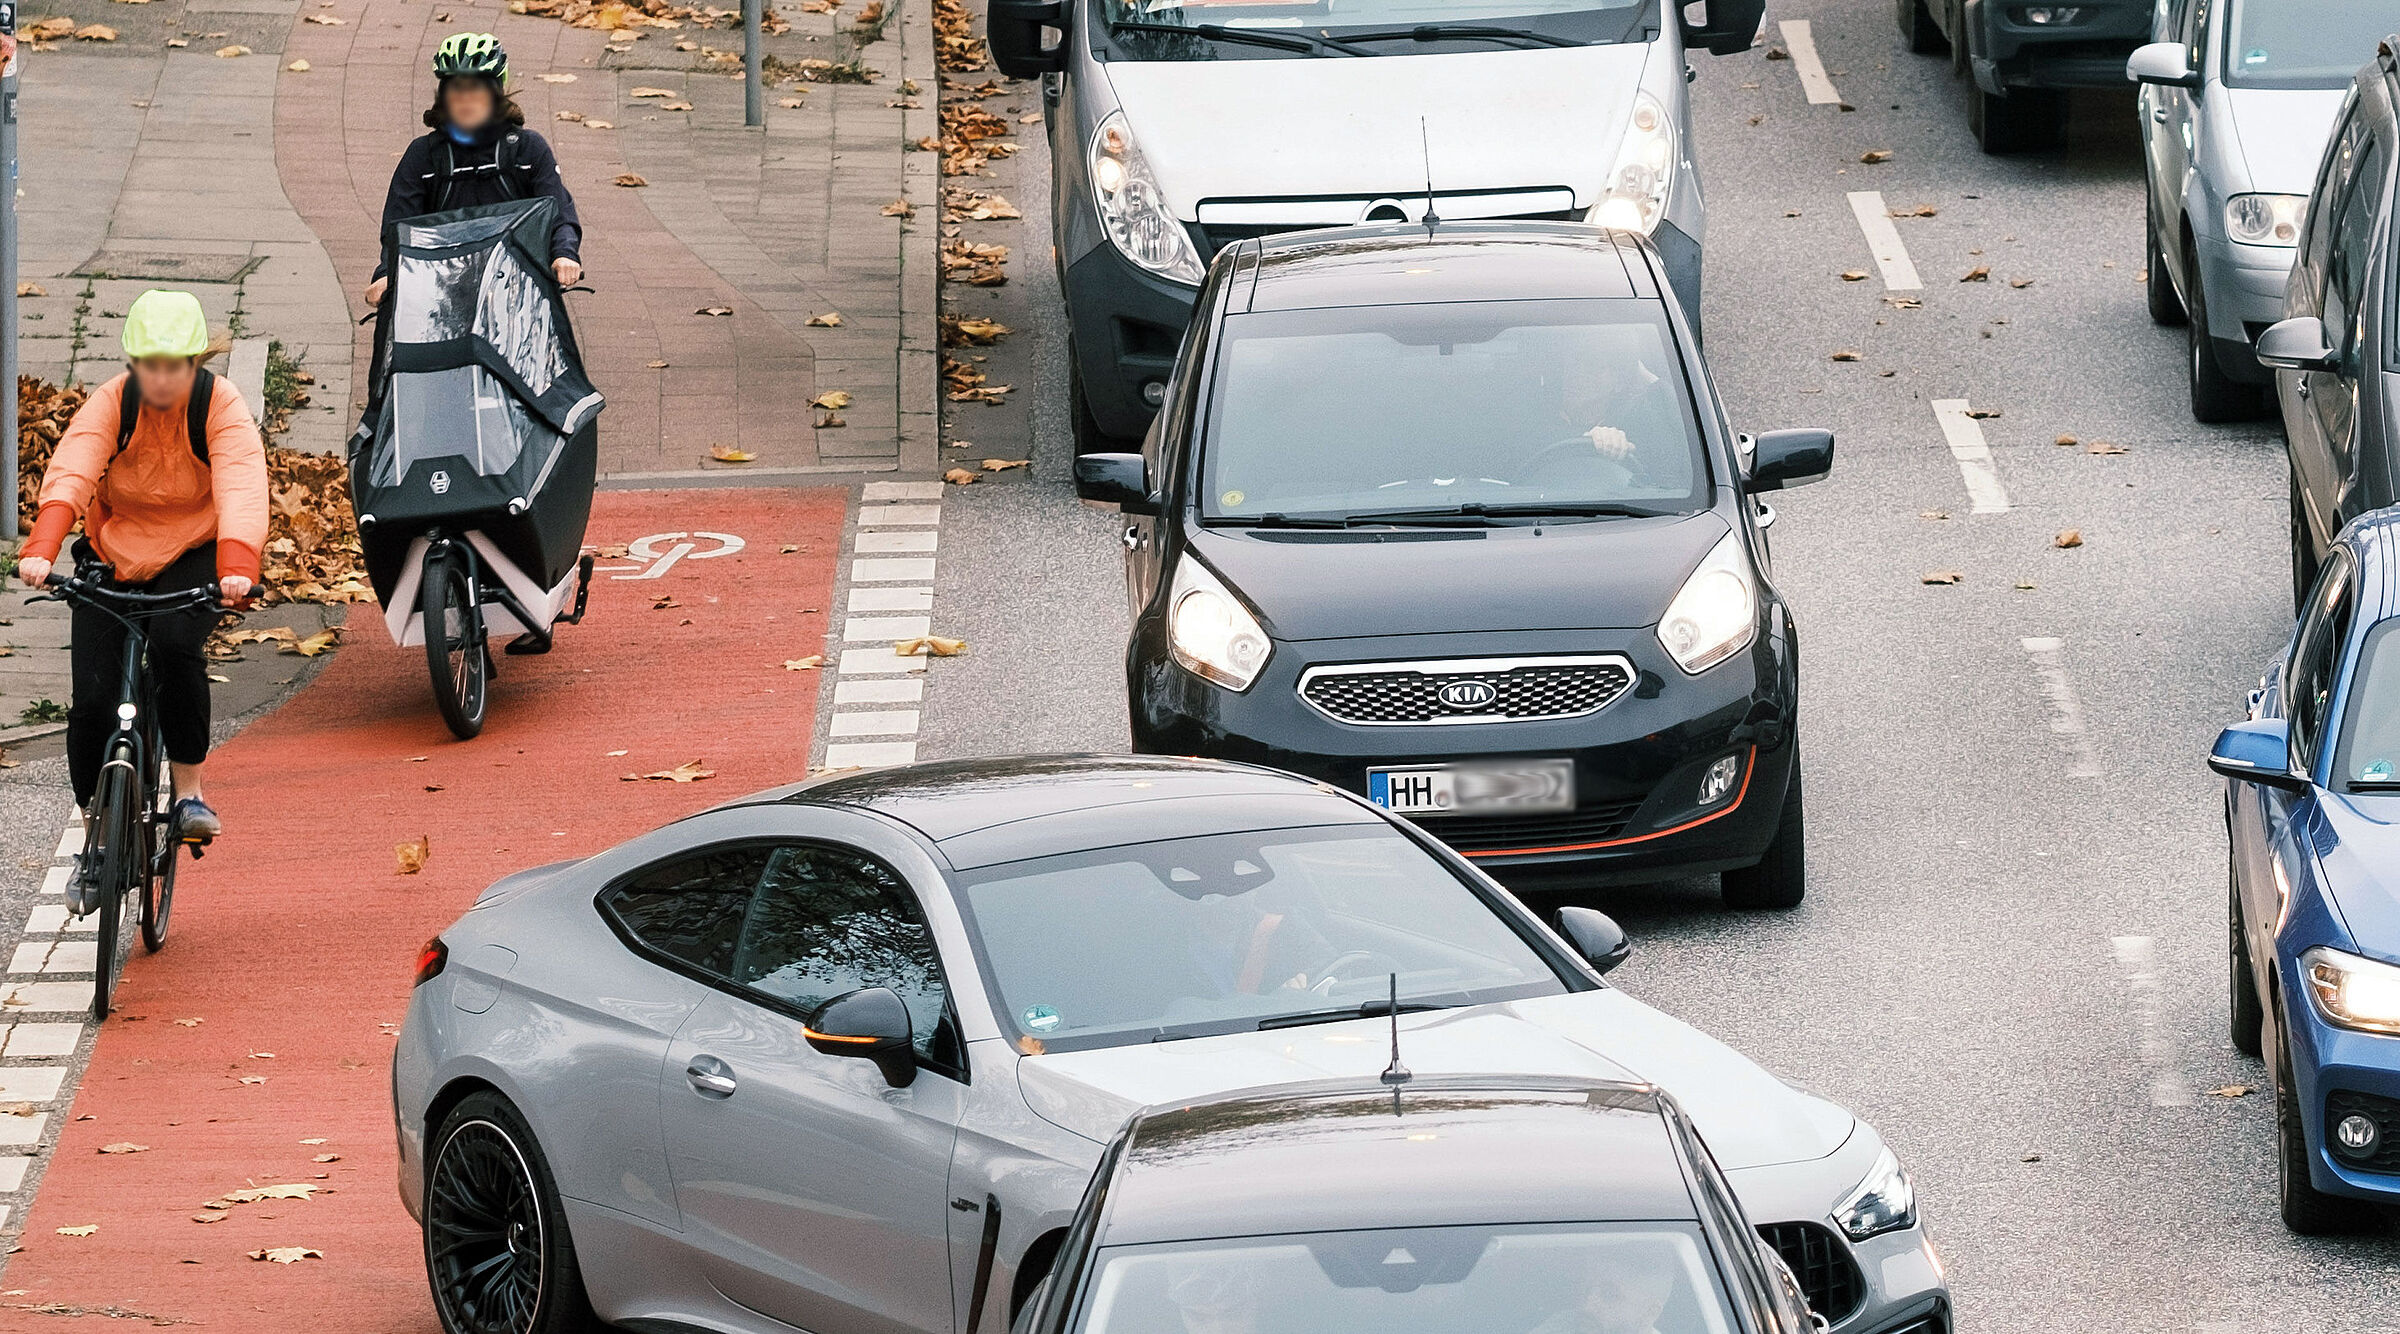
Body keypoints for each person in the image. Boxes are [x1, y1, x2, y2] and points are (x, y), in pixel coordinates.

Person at [14, 290, 269, 911]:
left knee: (178, 646)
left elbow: (240, 481)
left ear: (196, 361)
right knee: (93, 699)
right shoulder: (113, 401)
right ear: (132, 363)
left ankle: (188, 793)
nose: (161, 378)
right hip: (116, 547)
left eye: (175, 364)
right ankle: (96, 838)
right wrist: (44, 546)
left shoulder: (219, 404)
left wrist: (237, 566)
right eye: (149, 364)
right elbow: (74, 467)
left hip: (197, 549)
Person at [362, 33, 584, 309]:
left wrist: (564, 254)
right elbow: (399, 226)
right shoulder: (423, 156)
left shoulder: (528, 149)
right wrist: (386, 274)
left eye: (477, 89)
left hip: (515, 286)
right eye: (456, 89)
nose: (466, 99)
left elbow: (558, 212)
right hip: (442, 287)